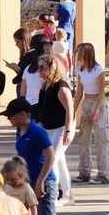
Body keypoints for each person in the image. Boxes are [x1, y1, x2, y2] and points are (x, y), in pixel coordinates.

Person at [0, 98, 68, 215]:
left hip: (44, 181)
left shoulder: (37, 131)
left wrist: (41, 182)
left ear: (23, 114)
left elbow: (51, 156)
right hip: (26, 182)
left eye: (11, 116)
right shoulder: (19, 130)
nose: (9, 119)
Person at [35, 55, 74, 206]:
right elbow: (41, 108)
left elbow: (70, 109)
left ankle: (53, 195)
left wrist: (68, 131)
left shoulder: (61, 86)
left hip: (61, 128)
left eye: (43, 67)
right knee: (60, 162)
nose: (40, 70)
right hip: (48, 128)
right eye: (39, 67)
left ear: (53, 68)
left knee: (51, 161)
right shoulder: (45, 85)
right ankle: (68, 196)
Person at [73, 43, 109, 185]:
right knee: (83, 139)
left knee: (101, 140)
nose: (79, 55)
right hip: (87, 102)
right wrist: (73, 110)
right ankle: (84, 172)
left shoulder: (98, 70)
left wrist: (96, 111)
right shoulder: (80, 70)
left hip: (98, 104)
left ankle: (103, 174)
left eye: (82, 52)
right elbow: (79, 93)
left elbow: (102, 92)